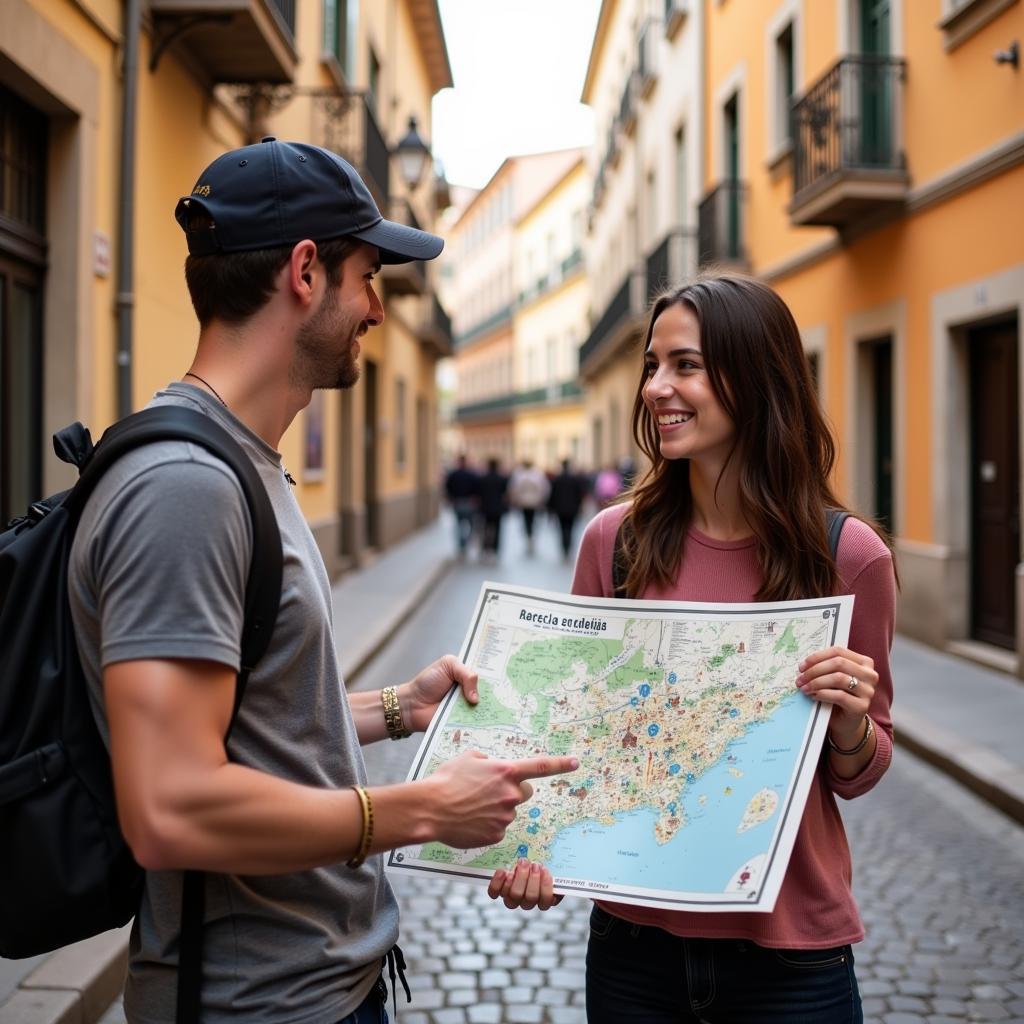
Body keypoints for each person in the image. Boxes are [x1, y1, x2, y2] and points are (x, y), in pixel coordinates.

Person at [67, 138, 577, 1024]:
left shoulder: (240, 462)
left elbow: (248, 725)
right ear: (306, 271)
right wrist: (418, 810)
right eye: (367, 275)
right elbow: (170, 807)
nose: (378, 308)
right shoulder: (186, 486)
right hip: (252, 1005)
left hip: (314, 989)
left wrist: (395, 709)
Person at [489, 274, 895, 1023]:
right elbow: (573, 740)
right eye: (652, 365)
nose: (655, 388)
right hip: (634, 950)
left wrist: (849, 724)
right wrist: (535, 845)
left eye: (685, 365)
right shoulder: (614, 544)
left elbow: (860, 771)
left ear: (755, 377)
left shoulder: (850, 557)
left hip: (791, 957)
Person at [507, 458, 550, 554]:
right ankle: (531, 536)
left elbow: (514, 488)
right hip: (534, 501)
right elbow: (544, 488)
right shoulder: (537, 474)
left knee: (526, 520)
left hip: (524, 501)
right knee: (532, 520)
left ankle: (529, 536)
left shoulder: (519, 474)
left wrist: (515, 499)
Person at [547, 458, 587, 561]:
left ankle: (565, 548)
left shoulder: (557, 479)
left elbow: (552, 495)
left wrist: (550, 510)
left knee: (562, 529)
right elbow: (580, 494)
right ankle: (568, 547)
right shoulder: (574, 479)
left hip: (560, 509)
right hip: (572, 509)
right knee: (570, 529)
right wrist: (580, 507)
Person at [444, 454, 481, 558]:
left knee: (459, 525)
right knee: (470, 525)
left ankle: (462, 545)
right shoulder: (471, 474)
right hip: (469, 503)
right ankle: (466, 541)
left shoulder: (453, 474)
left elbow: (448, 488)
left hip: (458, 502)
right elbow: (477, 488)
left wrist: (450, 499)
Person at [478, 457, 509, 562]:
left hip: (485, 508)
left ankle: (486, 549)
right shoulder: (502, 479)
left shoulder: (483, 478)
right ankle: (495, 549)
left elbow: (479, 493)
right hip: (498, 508)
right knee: (498, 529)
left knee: (486, 529)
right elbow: (505, 494)